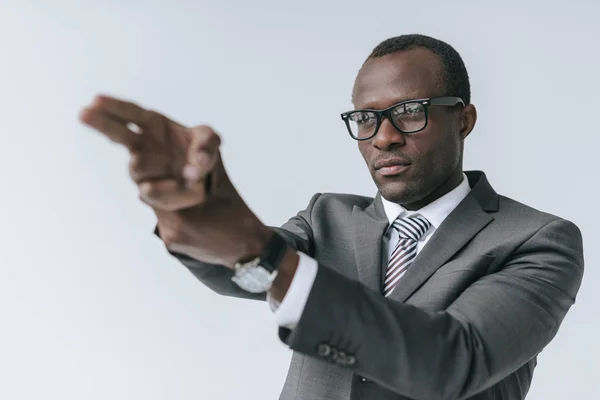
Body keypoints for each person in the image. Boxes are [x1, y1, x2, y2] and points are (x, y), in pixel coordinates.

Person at [79, 34, 584, 400]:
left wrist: (264, 251)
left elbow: (454, 361)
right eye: (365, 118)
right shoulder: (328, 217)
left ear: (465, 120)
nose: (383, 136)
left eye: (410, 111)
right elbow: (237, 272)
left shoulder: (537, 240)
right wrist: (183, 215)